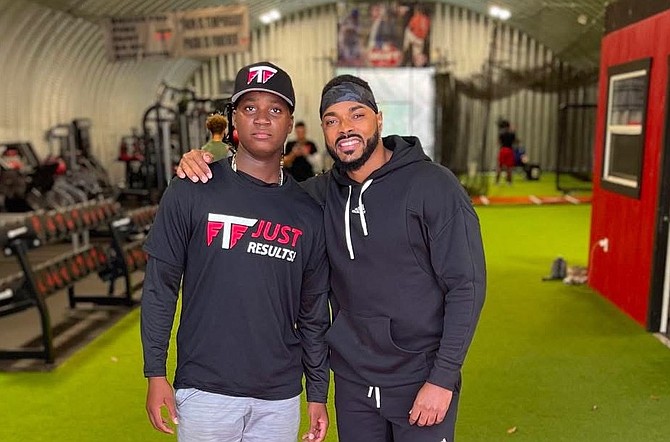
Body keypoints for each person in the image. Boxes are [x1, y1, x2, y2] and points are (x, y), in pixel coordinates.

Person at [177, 74, 486, 442]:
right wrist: (205, 164)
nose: (345, 129)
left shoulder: (434, 186)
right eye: (332, 120)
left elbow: (466, 287)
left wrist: (443, 378)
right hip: (353, 384)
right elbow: (261, 195)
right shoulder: (318, 195)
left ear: (379, 119)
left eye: (357, 115)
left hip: (419, 379)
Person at [141, 61, 330, 442]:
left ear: (290, 122)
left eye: (275, 109)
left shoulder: (308, 212)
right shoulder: (193, 186)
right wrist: (155, 371)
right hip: (206, 389)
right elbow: (160, 285)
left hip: (279, 396)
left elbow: (312, 312)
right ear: (233, 121)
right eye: (250, 108)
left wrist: (318, 393)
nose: (262, 119)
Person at [496, 118, 517, 185]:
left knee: (500, 166)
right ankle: (509, 182)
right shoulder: (512, 133)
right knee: (509, 167)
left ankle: (497, 182)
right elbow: (515, 141)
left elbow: (498, 142)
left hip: (502, 150)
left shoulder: (501, 133)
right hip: (509, 150)